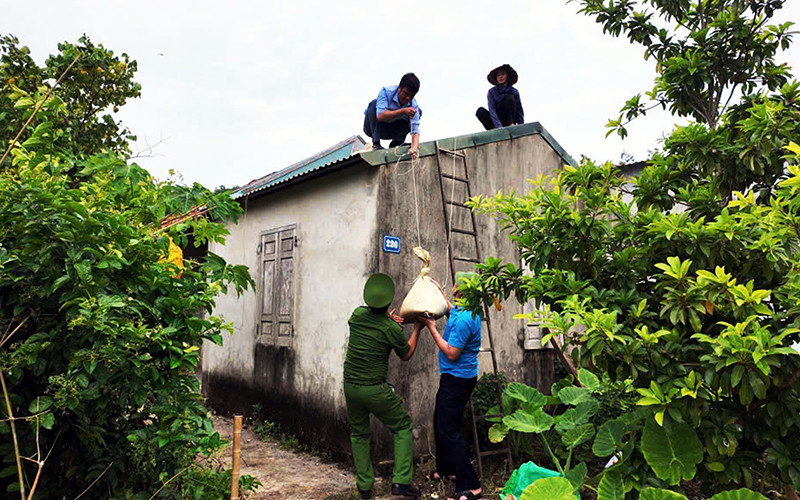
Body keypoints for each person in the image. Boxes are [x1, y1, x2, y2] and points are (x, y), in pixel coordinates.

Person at [343, 272, 423, 499]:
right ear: (388, 302)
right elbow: (406, 353)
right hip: (375, 389)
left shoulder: (356, 315)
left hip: (350, 385)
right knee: (402, 427)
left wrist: (386, 318)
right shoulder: (391, 329)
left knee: (359, 433)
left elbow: (372, 319)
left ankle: (365, 487)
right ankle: (401, 483)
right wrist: (416, 329)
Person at [418, 272, 483, 500]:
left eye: (456, 285)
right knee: (441, 421)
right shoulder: (462, 308)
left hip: (458, 379)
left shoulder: (467, 319)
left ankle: (471, 484)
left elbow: (452, 353)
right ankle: (446, 470)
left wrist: (431, 327)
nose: (453, 288)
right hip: (451, 376)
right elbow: (449, 308)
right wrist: (433, 286)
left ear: (460, 290)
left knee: (449, 429)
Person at [363, 73, 421, 159]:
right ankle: (376, 143)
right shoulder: (385, 92)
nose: (407, 98)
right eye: (406, 93)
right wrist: (403, 111)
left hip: (391, 130)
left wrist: (414, 149)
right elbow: (380, 116)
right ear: (399, 88)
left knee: (417, 112)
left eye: (411, 96)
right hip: (373, 128)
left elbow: (415, 130)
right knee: (373, 104)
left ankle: (397, 143)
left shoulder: (413, 105)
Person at [476, 64, 524, 131]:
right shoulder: (491, 92)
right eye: (498, 75)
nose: (501, 77)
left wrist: (521, 126)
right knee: (480, 111)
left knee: (509, 98)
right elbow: (492, 109)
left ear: (507, 76)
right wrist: (499, 127)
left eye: (503, 74)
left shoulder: (514, 91)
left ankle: (511, 124)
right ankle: (493, 130)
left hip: (509, 119)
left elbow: (519, 109)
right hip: (496, 121)